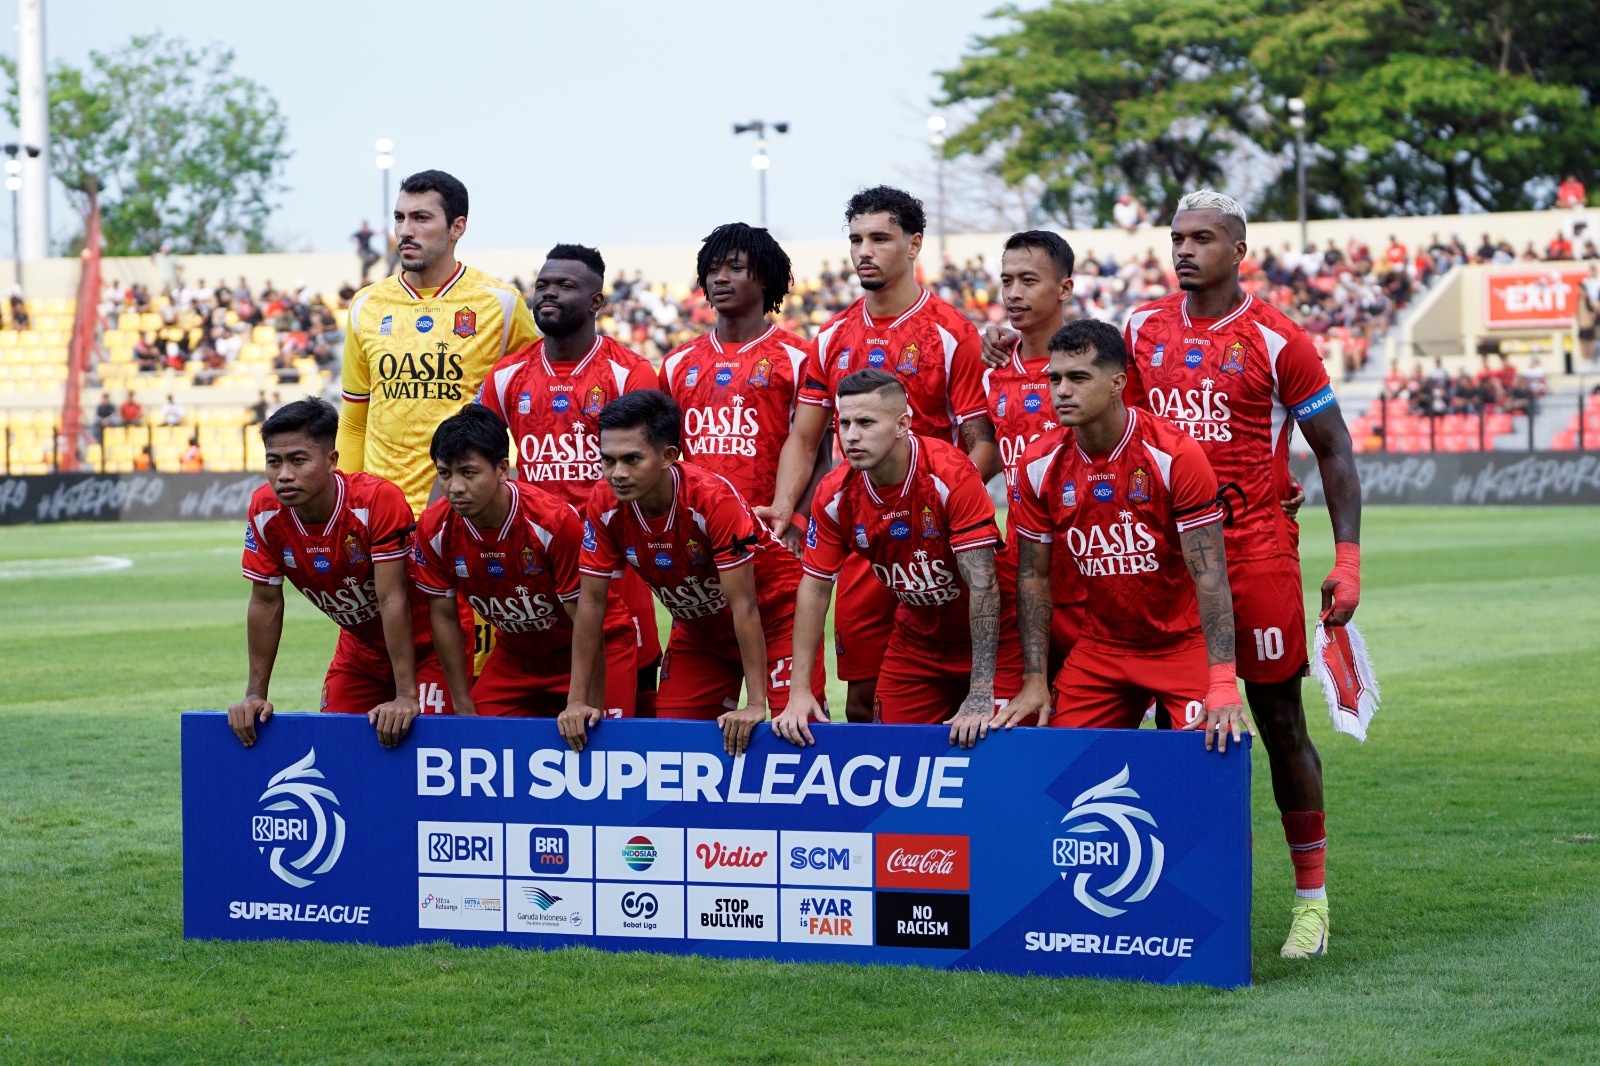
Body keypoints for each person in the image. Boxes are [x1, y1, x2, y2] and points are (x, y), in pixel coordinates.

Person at [1122, 189, 1362, 960]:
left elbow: (1335, 449)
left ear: (1239, 251)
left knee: (1279, 721)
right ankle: (1188, 898)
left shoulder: (1278, 339)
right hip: (1166, 557)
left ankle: (1311, 904)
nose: (1184, 250)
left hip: (1255, 551)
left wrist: (1347, 559)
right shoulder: (1139, 329)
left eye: (1202, 238)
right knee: (1180, 729)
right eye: (1177, 238)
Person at [757, 186, 993, 725]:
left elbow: (983, 441)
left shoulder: (952, 332)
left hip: (935, 533)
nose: (864, 251)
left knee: (954, 684)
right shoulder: (832, 335)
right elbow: (805, 437)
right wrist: (784, 506)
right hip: (865, 535)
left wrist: (946, 500)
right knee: (864, 698)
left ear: (914, 244)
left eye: (880, 238)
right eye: (856, 239)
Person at [1000, 319, 1251, 751]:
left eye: (1078, 378)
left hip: (1183, 644)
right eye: (1055, 379)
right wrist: (1035, 679)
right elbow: (1034, 577)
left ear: (1117, 383)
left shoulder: (1174, 454)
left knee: (1214, 753)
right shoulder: (1038, 463)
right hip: (1102, 647)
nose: (1062, 391)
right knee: (1056, 765)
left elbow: (1210, 573)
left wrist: (1223, 681)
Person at [564, 390, 823, 757]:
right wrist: (577, 700)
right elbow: (590, 604)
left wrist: (755, 704)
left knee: (795, 736)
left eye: (631, 459)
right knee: (674, 747)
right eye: (608, 460)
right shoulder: (604, 503)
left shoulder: (713, 500)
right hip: (699, 633)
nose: (617, 473)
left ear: (668, 455)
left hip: (776, 621)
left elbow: (745, 606)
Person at [774, 370, 1022, 749]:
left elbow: (983, 585)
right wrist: (799, 691)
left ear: (903, 424)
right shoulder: (834, 493)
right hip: (917, 643)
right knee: (890, 753)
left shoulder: (950, 473)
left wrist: (979, 690)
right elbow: (815, 589)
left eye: (866, 422)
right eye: (845, 423)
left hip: (997, 639)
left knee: (998, 752)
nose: (851, 436)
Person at [477, 243, 663, 715]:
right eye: (542, 285)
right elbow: (472, 455)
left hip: (614, 564)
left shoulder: (630, 372)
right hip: (536, 567)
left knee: (626, 718)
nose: (549, 293)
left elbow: (654, 475)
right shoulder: (505, 376)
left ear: (596, 301)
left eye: (565, 285)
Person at [229, 397, 451, 751]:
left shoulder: (375, 501)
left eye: (298, 460)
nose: (284, 474)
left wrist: (406, 695)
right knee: (336, 750)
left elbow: (391, 599)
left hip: (431, 646)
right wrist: (255, 694)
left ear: (332, 460)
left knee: (428, 750)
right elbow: (265, 603)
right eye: (274, 462)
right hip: (360, 648)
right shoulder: (264, 509)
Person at [336, 169, 539, 515]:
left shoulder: (501, 304)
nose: (405, 230)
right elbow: (355, 422)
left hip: (465, 514)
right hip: (383, 516)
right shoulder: (366, 305)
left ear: (457, 227)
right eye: (399, 218)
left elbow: (533, 411)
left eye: (421, 218)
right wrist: (347, 507)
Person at [415, 405, 637, 718]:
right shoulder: (433, 527)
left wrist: (580, 702)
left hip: (595, 646)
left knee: (599, 742)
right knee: (478, 740)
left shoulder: (552, 523)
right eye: (445, 473)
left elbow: (587, 620)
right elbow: (444, 617)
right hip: (517, 656)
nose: (455, 488)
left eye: (468, 472)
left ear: (502, 469)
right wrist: (462, 704)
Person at [659, 223, 827, 554]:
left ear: (764, 277)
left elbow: (820, 454)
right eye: (712, 270)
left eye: (735, 268)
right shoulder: (676, 363)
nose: (720, 279)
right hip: (697, 537)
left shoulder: (801, 358)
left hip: (773, 534)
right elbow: (664, 458)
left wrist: (797, 522)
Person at [982, 230, 1084, 681]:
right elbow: (986, 450)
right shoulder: (993, 370)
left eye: (1028, 280)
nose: (1013, 293)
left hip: (1093, 570)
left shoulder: (1098, 365)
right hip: (1021, 571)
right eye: (1007, 281)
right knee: (1026, 708)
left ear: (1064, 288)